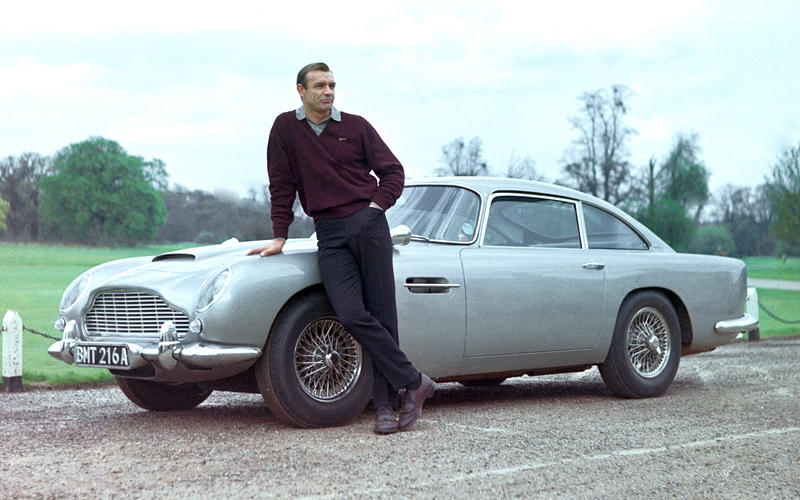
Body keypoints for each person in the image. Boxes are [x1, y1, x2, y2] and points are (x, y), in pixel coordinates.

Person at [247, 62, 434, 434]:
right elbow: (281, 184)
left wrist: (375, 208)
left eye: (332, 85)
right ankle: (415, 383)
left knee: (383, 315)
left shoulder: (356, 126)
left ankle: (384, 406)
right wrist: (279, 236)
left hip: (369, 226)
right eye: (319, 85)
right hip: (329, 232)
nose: (328, 91)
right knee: (350, 313)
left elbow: (393, 172)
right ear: (300, 90)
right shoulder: (285, 128)